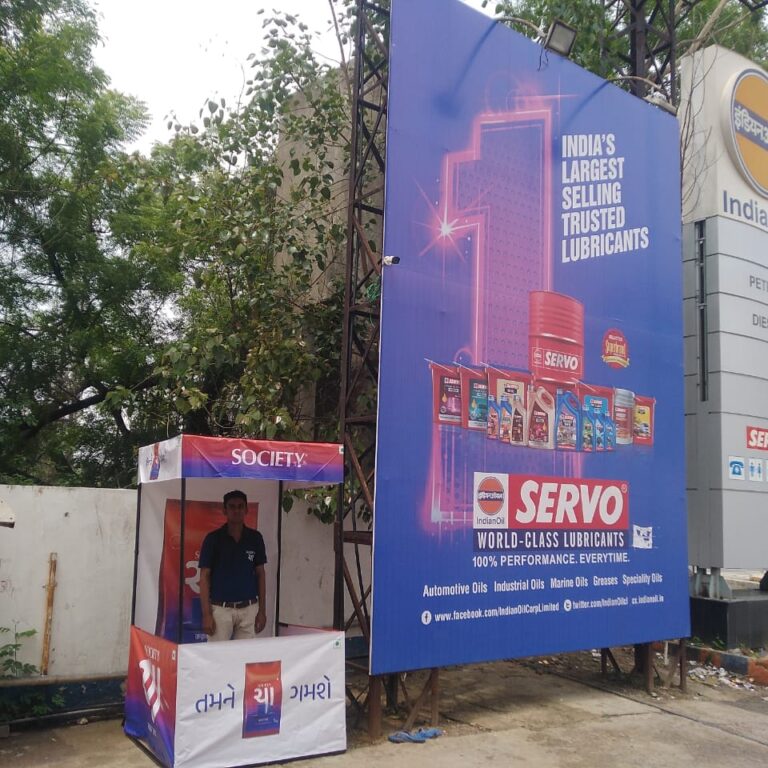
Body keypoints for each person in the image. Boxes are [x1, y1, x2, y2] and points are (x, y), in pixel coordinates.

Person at [199, 490, 267, 641]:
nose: (236, 510)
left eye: (240, 506)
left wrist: (262, 611)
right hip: (220, 610)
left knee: (245, 655)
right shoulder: (213, 539)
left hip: (249, 610)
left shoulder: (255, 538)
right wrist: (206, 614)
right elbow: (204, 577)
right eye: (232, 506)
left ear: (246, 509)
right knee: (218, 654)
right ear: (225, 510)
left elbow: (261, 574)